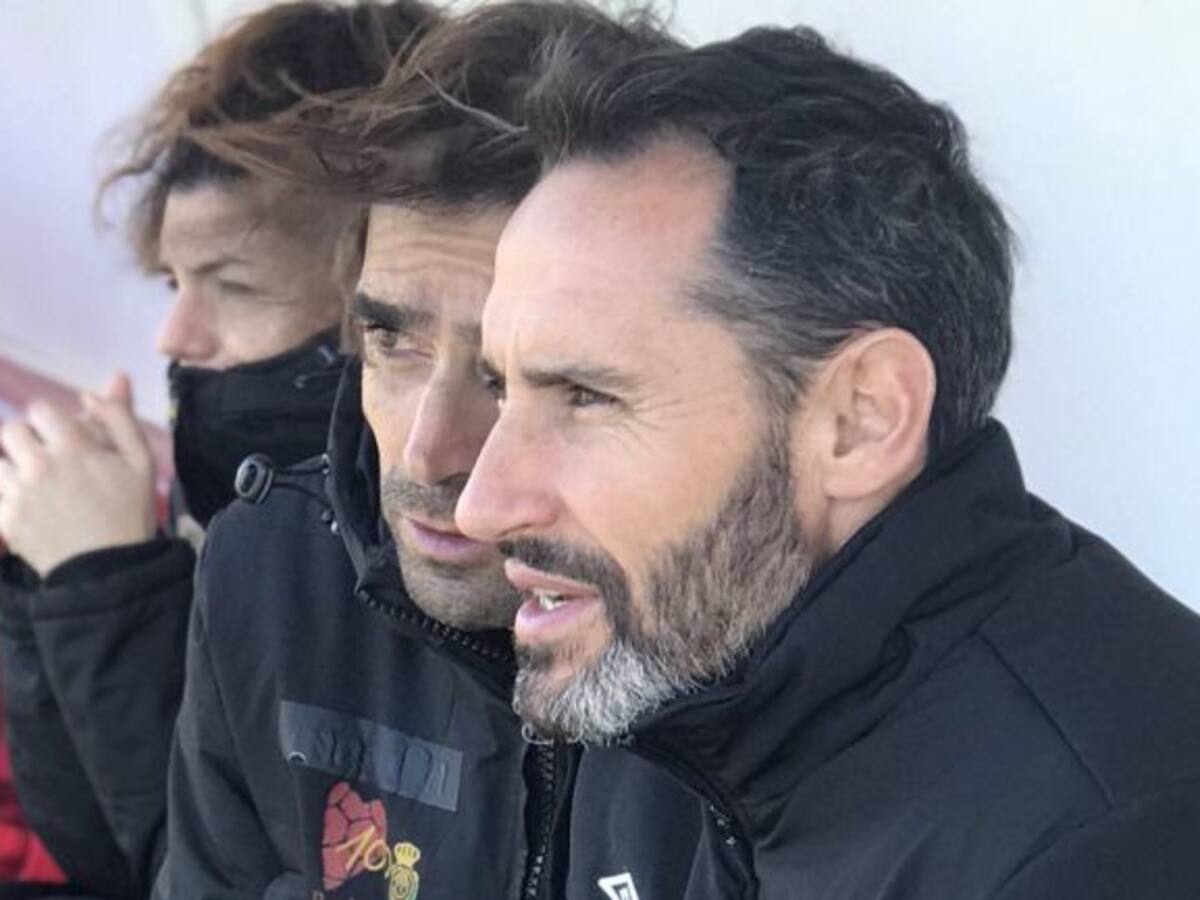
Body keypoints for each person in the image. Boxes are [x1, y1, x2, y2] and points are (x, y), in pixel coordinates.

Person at [454, 25, 1200, 899]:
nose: (482, 504)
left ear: (860, 420)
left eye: (585, 396)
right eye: (501, 390)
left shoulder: (1108, 840)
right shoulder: (671, 669)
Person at [158, 5, 699, 899]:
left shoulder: (752, 635)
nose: (428, 450)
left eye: (508, 373)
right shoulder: (271, 572)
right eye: (392, 341)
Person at [0, 3, 435, 895]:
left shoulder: (430, 554)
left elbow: (208, 864)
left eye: (231, 287)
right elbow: (103, 858)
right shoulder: (221, 507)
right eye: (173, 283)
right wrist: (48, 588)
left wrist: (104, 583)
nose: (174, 336)